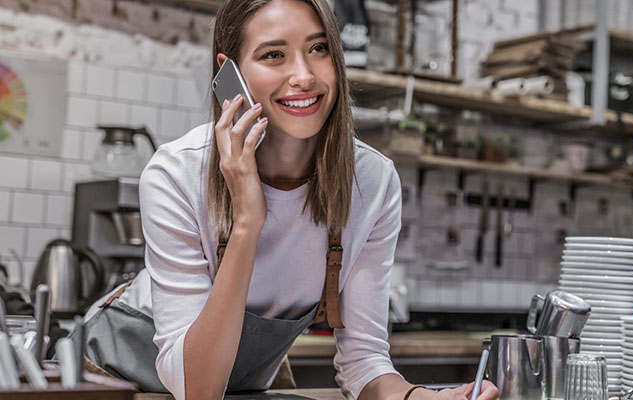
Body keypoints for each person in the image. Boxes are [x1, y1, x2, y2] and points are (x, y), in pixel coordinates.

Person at [80, 0, 500, 399]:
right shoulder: (177, 173)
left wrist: (420, 395)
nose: (304, 75)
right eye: (273, 55)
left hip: (234, 386)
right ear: (229, 74)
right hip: (110, 375)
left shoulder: (371, 183)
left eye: (318, 49)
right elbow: (198, 389)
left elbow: (364, 361)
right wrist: (247, 220)